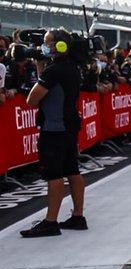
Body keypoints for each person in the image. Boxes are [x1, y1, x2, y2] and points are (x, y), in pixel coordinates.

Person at [20, 29, 87, 238]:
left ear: (60, 46)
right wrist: (41, 67)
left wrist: (42, 72)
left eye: (48, 42)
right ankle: (78, 216)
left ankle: (50, 221)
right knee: (72, 170)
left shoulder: (55, 70)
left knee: (54, 174)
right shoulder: (71, 67)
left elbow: (32, 100)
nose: (43, 46)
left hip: (53, 128)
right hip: (68, 125)